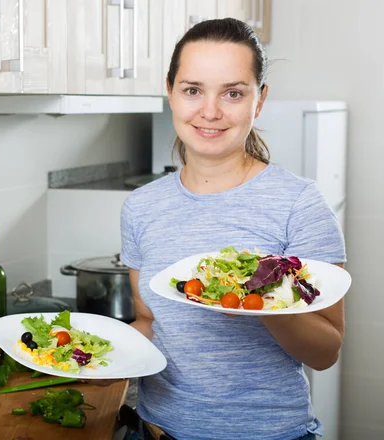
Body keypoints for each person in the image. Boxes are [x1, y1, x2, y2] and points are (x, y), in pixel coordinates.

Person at [116, 17, 346, 440]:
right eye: (192, 90)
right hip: (156, 430)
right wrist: (97, 358)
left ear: (259, 101)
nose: (210, 111)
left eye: (234, 93)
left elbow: (326, 352)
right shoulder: (141, 207)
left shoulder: (299, 203)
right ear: (170, 92)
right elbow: (149, 319)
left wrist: (262, 300)